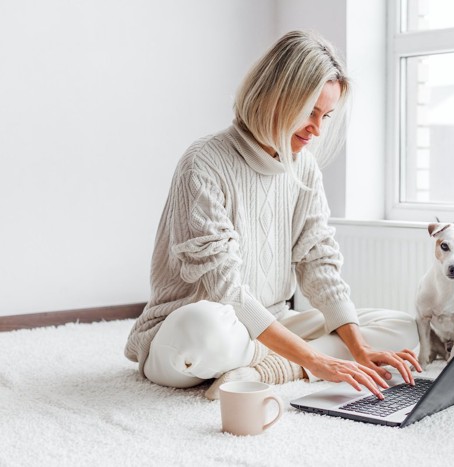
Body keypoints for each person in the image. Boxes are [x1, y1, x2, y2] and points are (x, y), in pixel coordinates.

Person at [124, 30, 421, 400]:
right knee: (200, 330)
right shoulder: (202, 165)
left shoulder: (305, 168)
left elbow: (318, 261)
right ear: (274, 96)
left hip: (273, 323)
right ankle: (296, 360)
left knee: (403, 329)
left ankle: (270, 367)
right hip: (207, 326)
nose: (317, 128)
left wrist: (360, 349)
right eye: (310, 111)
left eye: (326, 115)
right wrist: (317, 359)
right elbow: (227, 293)